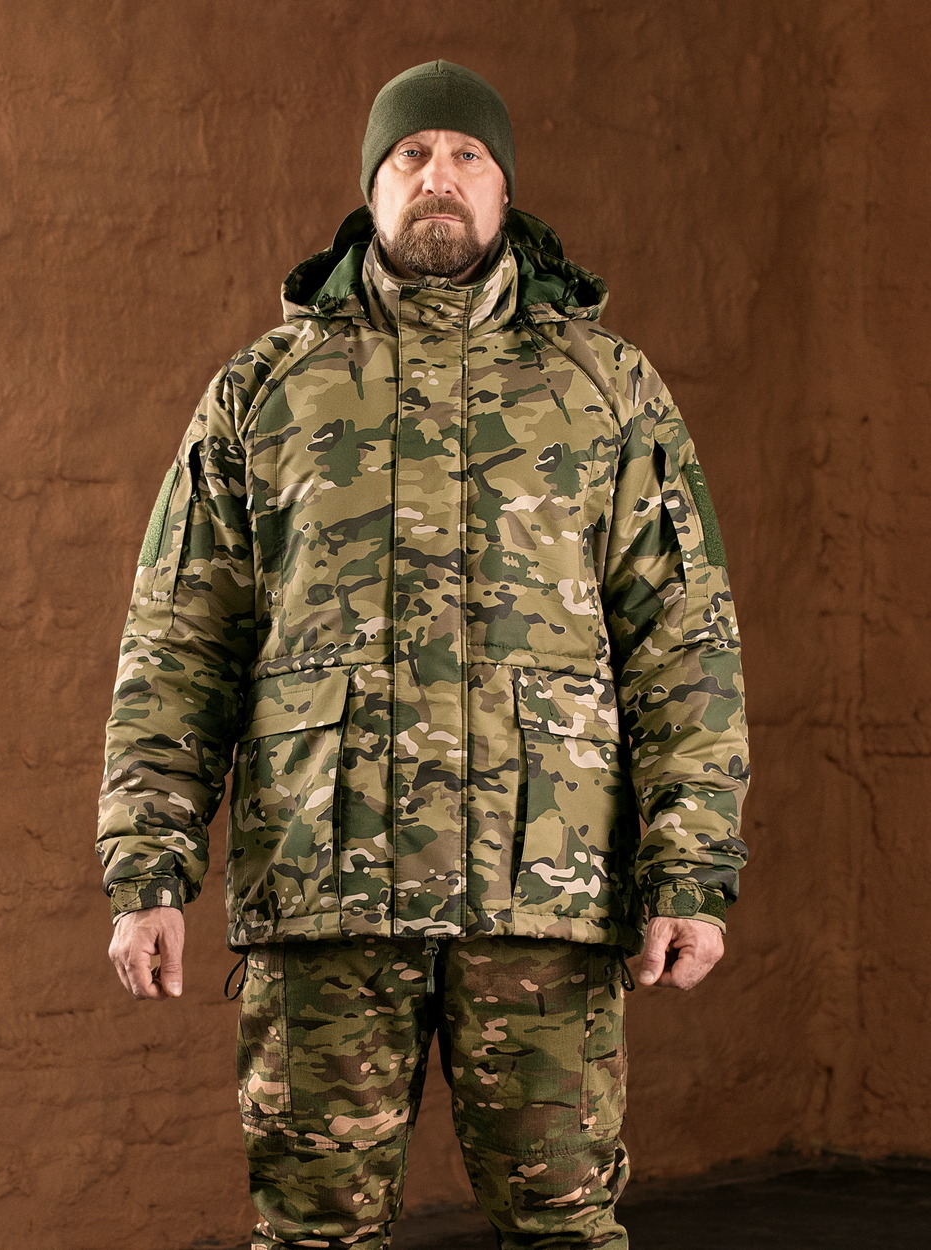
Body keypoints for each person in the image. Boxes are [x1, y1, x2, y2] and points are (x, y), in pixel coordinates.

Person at [98, 60, 750, 1250]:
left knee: (561, 1228)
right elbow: (179, 639)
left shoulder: (605, 389)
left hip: (544, 896)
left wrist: (691, 873)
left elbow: (683, 640)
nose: (437, 176)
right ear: (372, 185)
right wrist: (149, 871)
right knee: (311, 1233)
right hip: (324, 893)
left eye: (465, 155)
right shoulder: (265, 390)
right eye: (410, 155)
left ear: (504, 189)